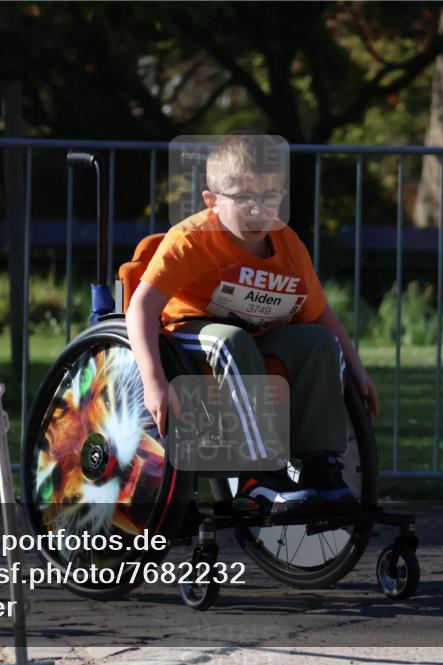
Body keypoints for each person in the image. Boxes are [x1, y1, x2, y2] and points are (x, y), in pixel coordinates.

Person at [125, 134, 380, 515]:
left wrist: (356, 370)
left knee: (318, 341)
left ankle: (319, 465)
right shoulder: (192, 240)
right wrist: (153, 382)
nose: (258, 209)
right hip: (187, 336)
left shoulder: (286, 242)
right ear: (212, 201)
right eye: (244, 198)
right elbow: (141, 307)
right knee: (231, 341)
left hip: (258, 335)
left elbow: (321, 313)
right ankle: (257, 473)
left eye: (270, 196)